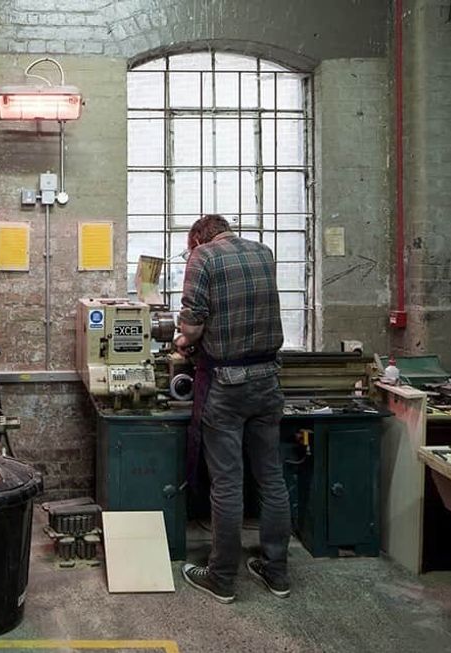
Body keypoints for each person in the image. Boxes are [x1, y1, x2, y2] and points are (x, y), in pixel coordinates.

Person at [174, 214, 290, 604]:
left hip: (227, 384)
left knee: (227, 483)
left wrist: (180, 341)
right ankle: (276, 572)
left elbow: (192, 326)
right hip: (269, 380)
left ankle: (222, 577)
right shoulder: (264, 253)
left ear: (197, 239)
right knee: (271, 479)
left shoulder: (202, 257)